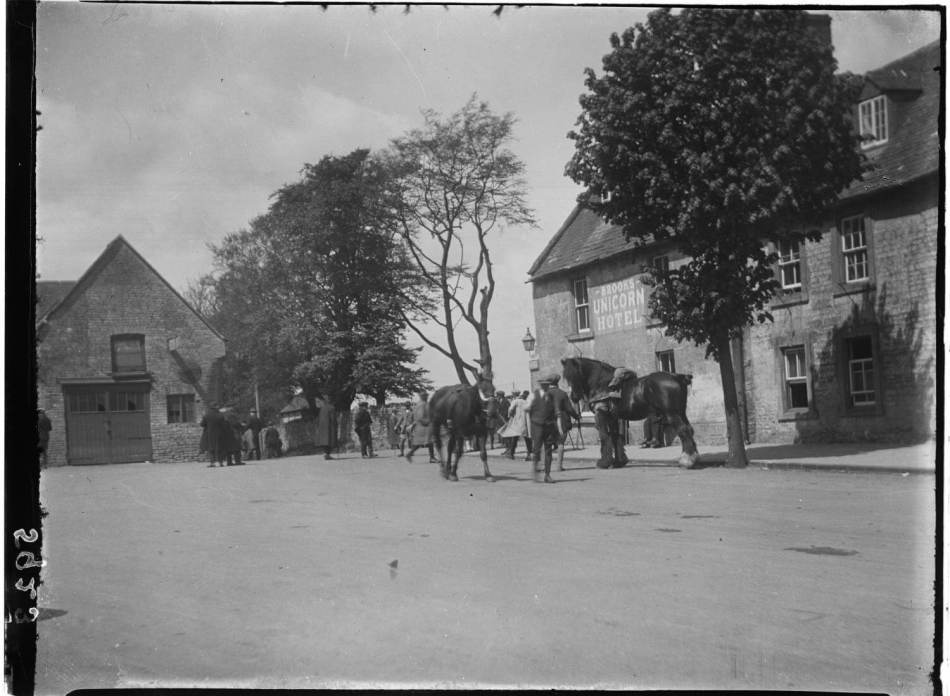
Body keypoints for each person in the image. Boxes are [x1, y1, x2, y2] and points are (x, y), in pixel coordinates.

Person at [525, 374, 563, 483]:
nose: (546, 387)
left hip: (549, 427)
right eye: (544, 385)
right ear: (540, 385)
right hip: (537, 426)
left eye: (547, 385)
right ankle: (535, 469)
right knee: (536, 450)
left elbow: (557, 411)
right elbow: (527, 408)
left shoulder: (551, 397)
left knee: (548, 450)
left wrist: (558, 427)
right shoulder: (533, 395)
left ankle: (547, 474)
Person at [548, 375, 581, 471]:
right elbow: (569, 409)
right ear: (557, 383)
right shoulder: (562, 393)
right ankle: (559, 466)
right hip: (561, 422)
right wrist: (577, 416)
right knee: (560, 443)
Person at [406, 392, 437, 463]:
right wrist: (428, 422)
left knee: (421, 443)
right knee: (429, 442)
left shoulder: (420, 404)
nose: (427, 397)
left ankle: (410, 454)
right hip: (423, 427)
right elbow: (420, 416)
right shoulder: (422, 404)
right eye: (425, 396)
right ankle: (432, 458)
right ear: (423, 396)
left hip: (421, 426)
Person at [499, 390, 531, 460]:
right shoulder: (526, 402)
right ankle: (529, 454)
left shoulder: (515, 401)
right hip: (525, 422)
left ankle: (511, 453)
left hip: (517, 421)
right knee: (527, 438)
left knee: (515, 438)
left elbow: (510, 410)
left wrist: (510, 416)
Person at [199, 402, 229, 468]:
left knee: (211, 448)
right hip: (219, 434)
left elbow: (202, 424)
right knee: (219, 448)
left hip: (209, 434)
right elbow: (224, 425)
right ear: (216, 407)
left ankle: (212, 462)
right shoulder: (220, 415)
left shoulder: (207, 415)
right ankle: (220, 462)